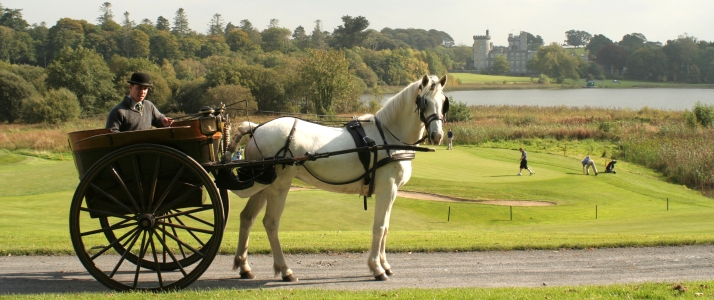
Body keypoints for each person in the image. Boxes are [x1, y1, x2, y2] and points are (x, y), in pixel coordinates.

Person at [106, 72, 173, 132]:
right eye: (139, 88)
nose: (142, 92)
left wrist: (163, 122)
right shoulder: (118, 111)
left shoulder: (149, 106)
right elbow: (111, 135)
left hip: (147, 145)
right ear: (130, 87)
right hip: (130, 146)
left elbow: (159, 119)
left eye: (145, 88)